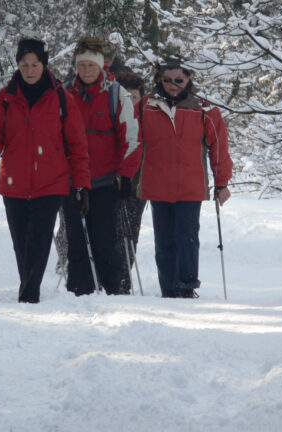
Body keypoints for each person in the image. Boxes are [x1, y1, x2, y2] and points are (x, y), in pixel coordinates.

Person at [0, 38, 91, 303]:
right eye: (24, 64)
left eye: (34, 64)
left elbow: (78, 145)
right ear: (18, 66)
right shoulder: (5, 98)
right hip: (14, 183)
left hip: (50, 183)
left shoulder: (62, 97)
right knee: (21, 243)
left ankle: (29, 295)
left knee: (38, 242)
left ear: (44, 65)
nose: (29, 70)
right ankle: (28, 289)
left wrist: (81, 184)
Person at [137, 58, 233, 298]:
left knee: (187, 237)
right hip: (157, 184)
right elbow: (133, 143)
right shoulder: (145, 106)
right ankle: (168, 290)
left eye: (179, 80)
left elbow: (219, 147)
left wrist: (222, 182)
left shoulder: (204, 109)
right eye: (167, 80)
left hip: (190, 186)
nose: (173, 84)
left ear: (188, 79)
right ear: (160, 80)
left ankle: (187, 287)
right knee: (164, 242)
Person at [61, 37, 141, 296]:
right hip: (71, 179)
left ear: (100, 67)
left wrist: (126, 175)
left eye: (91, 66)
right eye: (81, 66)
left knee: (104, 239)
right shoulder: (63, 94)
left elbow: (131, 138)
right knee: (75, 239)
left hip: (105, 180)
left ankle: (113, 289)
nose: (86, 71)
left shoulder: (117, 94)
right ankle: (78, 290)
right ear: (75, 67)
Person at [113, 70, 146, 294]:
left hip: (138, 183)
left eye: (135, 97)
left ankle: (124, 278)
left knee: (130, 232)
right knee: (111, 231)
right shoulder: (112, 113)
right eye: (126, 96)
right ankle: (112, 277)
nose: (131, 101)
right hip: (111, 179)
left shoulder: (147, 116)